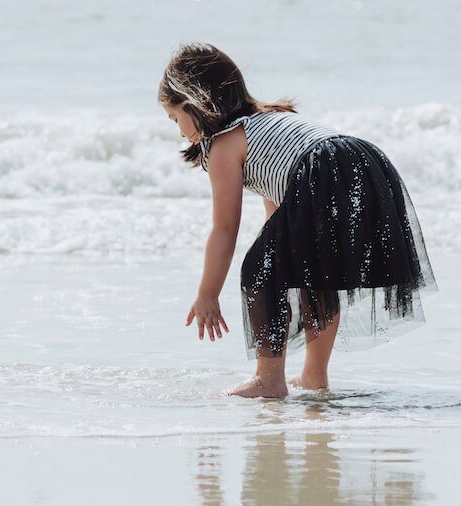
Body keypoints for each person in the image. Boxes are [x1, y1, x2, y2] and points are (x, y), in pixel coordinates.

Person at [157, 42, 436, 398]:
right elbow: (280, 208)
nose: (178, 130)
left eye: (174, 117)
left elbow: (225, 228)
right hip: (362, 161)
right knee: (314, 275)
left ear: (195, 103)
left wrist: (208, 293)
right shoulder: (269, 119)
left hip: (323, 169)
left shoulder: (225, 144)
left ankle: (268, 379)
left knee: (259, 270)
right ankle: (314, 376)